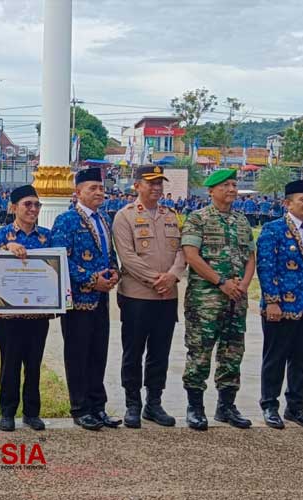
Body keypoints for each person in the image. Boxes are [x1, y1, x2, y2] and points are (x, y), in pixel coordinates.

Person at [180, 169, 255, 431]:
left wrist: (243, 285)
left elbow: (250, 257)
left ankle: (226, 406)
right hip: (206, 300)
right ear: (211, 190)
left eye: (234, 185)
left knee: (232, 353)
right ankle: (195, 407)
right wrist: (221, 283)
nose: (232, 190)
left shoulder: (242, 221)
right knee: (200, 352)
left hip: (237, 299)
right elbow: (191, 255)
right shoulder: (197, 219)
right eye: (226, 185)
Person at [112, 166, 185, 428]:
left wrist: (173, 276)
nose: (156, 188)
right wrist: (156, 279)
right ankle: (133, 403)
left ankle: (154, 403)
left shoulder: (172, 215)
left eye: (159, 183)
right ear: (137, 186)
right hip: (137, 295)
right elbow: (127, 256)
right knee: (133, 352)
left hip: (167, 297)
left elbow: (182, 252)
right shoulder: (125, 216)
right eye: (150, 183)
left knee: (159, 353)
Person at [257, 179, 303, 429]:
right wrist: (272, 301)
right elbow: (266, 267)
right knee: (275, 358)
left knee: (301, 360)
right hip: (281, 306)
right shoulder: (273, 229)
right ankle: (269, 404)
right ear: (287, 203)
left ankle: (295, 407)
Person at [51, 167, 121, 431]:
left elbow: (109, 253)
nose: (99, 192)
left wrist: (113, 272)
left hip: (101, 300)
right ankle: (80, 408)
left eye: (101, 188)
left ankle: (98, 406)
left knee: (98, 353)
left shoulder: (104, 219)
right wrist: (92, 279)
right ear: (77, 192)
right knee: (78, 354)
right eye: (93, 188)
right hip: (79, 300)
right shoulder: (67, 220)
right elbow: (60, 259)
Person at [0, 185, 52, 432]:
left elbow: (55, 270)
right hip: (9, 314)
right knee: (10, 363)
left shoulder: (47, 237)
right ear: (13, 207)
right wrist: (7, 248)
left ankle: (32, 412)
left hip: (38, 313)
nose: (33, 209)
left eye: (37, 205)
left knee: (34, 364)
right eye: (28, 204)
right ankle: (7, 412)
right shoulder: (2, 235)